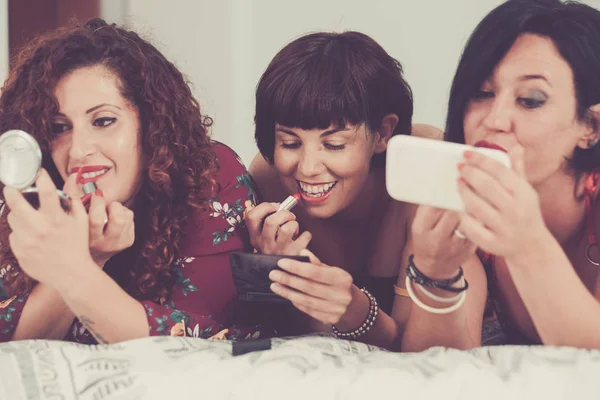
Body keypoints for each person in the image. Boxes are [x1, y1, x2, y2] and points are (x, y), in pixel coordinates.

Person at [0, 19, 263, 344]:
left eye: (104, 121)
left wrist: (72, 267)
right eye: (59, 127)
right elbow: (15, 347)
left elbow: (197, 341)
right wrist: (92, 255)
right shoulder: (34, 197)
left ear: (151, 125)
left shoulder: (209, 176)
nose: (78, 151)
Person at [401, 0, 600, 350]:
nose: (493, 120)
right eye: (482, 93)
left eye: (530, 99)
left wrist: (527, 244)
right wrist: (436, 273)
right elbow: (437, 367)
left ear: (591, 126)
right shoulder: (462, 207)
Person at [246, 30, 441, 349]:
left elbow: (416, 350)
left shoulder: (420, 176)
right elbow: (292, 333)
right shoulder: (266, 181)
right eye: (291, 143)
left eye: (334, 144)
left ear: (382, 133)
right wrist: (269, 274)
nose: (307, 168)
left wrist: (353, 308)